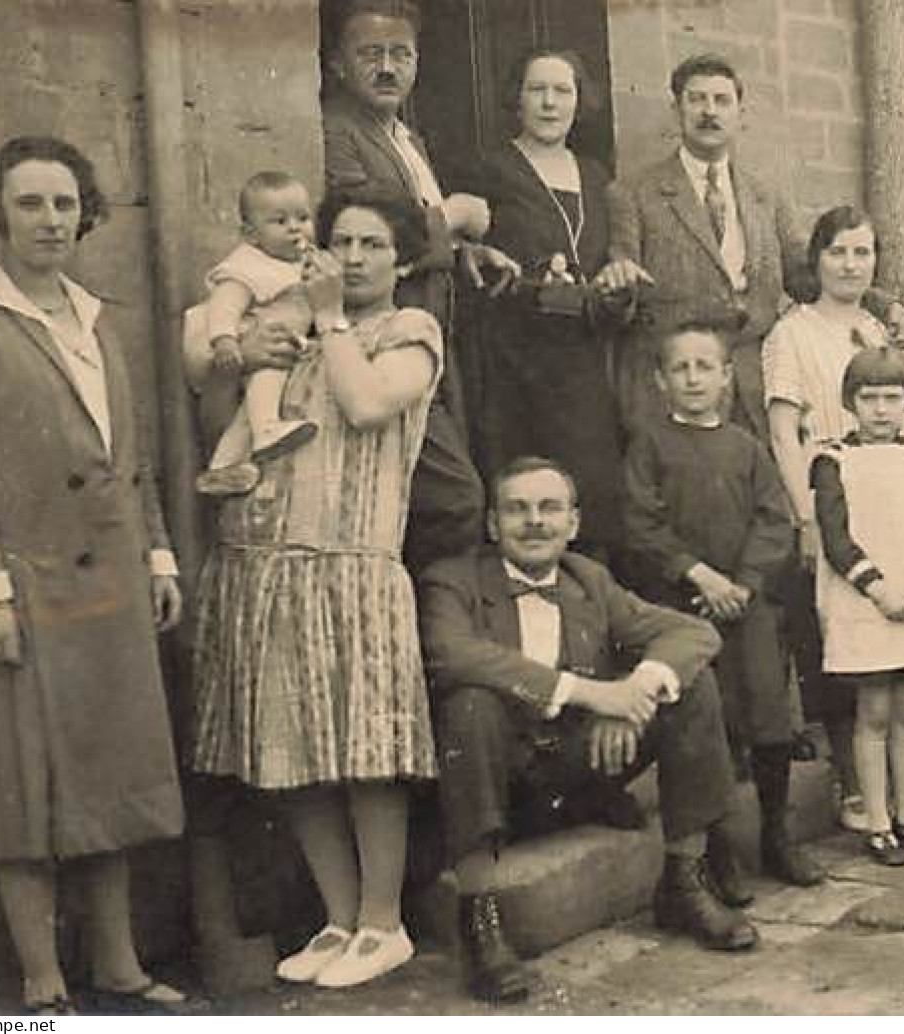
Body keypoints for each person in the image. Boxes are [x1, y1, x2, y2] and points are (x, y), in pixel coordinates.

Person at [0, 135, 187, 1014]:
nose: (50, 220)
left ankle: (117, 964)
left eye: (65, 203)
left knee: (110, 775)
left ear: (86, 215)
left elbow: (134, 457)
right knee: (27, 783)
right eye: (31, 202)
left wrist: (156, 553)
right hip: (27, 588)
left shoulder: (97, 318)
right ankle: (42, 980)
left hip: (111, 586)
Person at [191, 190, 444, 989]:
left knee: (366, 751)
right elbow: (226, 429)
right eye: (344, 241)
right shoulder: (291, 326)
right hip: (267, 562)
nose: (357, 256)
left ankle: (383, 922)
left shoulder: (410, 331)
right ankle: (340, 920)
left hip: (353, 563)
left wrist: (330, 321)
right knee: (293, 749)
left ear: (401, 259)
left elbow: (367, 406)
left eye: (374, 243)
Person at [422, 457, 759, 1004]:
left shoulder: (588, 579)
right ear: (491, 525)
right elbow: (451, 654)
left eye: (550, 508)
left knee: (689, 685)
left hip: (581, 770)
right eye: (517, 509)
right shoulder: (453, 580)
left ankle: (682, 879)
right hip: (501, 781)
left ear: (573, 524)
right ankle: (482, 920)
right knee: (470, 703)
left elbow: (692, 632)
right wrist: (592, 694)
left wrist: (631, 695)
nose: (535, 522)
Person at [763, 205, 904, 839]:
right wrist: (806, 515)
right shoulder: (793, 332)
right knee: (851, 651)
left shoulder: (880, 329)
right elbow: (785, 431)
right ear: (816, 259)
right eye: (839, 252)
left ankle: (903, 799)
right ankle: (860, 792)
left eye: (863, 253)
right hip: (836, 489)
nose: (851, 264)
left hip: (898, 498)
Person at [622, 319, 825, 892]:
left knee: (768, 717)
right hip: (683, 609)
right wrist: (697, 575)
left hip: (745, 606)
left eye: (704, 366)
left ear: (726, 376)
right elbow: (642, 525)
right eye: (679, 367)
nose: (692, 377)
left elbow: (772, 519)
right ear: (660, 380)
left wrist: (743, 584)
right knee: (709, 727)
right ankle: (717, 849)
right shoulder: (649, 444)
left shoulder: (746, 447)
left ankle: (776, 836)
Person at [321, 0, 515, 573]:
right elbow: (359, 221)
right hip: (381, 340)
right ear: (337, 65)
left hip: (435, 331)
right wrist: (451, 215)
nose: (387, 68)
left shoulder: (407, 137)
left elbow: (408, 231)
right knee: (453, 498)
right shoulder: (337, 131)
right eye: (370, 54)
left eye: (400, 54)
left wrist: (464, 252)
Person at [462, 47, 625, 555]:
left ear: (580, 101)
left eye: (563, 91)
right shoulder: (491, 168)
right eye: (538, 90)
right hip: (516, 356)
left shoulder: (597, 175)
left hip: (582, 357)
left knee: (589, 489)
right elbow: (468, 253)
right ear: (517, 99)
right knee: (521, 483)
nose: (550, 103)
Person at [595, 52, 806, 439]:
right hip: (674, 384)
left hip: (753, 378)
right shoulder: (633, 193)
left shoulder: (766, 196)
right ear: (677, 110)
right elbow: (621, 287)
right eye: (697, 99)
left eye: (722, 101)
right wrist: (617, 285)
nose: (709, 111)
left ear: (741, 114)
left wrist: (879, 305)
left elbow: (807, 277)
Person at [811, 347, 904, 866]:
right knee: (874, 709)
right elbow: (835, 538)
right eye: (869, 398)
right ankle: (876, 821)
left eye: (892, 398)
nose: (880, 409)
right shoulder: (834, 461)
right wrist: (877, 590)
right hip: (868, 604)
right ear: (851, 402)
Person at [187, 171, 319, 496]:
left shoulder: (305, 261)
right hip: (253, 338)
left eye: (303, 218)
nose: (295, 228)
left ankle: (222, 467)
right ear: (251, 233)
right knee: (268, 376)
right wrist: (225, 340)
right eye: (279, 221)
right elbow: (225, 306)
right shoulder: (246, 265)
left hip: (285, 340)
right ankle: (267, 431)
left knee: (249, 411)